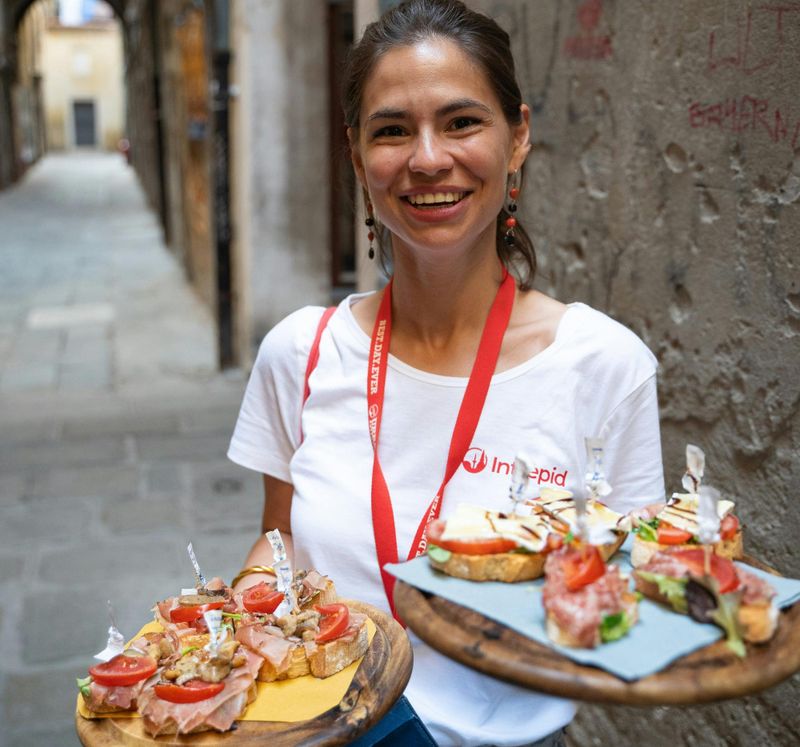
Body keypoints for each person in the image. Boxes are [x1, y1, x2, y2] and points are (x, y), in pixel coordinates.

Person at [228, 1, 664, 745]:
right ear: (357, 153)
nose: (427, 158)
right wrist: (226, 627)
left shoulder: (603, 365)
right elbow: (279, 544)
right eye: (392, 129)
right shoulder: (300, 352)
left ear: (517, 135)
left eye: (462, 122)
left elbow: (638, 596)